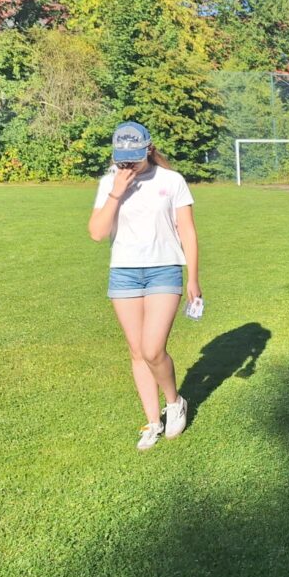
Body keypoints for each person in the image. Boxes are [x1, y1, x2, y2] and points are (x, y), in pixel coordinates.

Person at [88, 121, 198, 451]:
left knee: (152, 349)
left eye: (134, 157)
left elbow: (188, 232)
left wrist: (192, 277)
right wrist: (117, 191)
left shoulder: (172, 180)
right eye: (123, 158)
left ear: (148, 149)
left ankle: (175, 401)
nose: (128, 164)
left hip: (164, 269)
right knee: (137, 352)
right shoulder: (110, 182)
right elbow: (96, 232)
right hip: (123, 272)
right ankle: (152, 422)